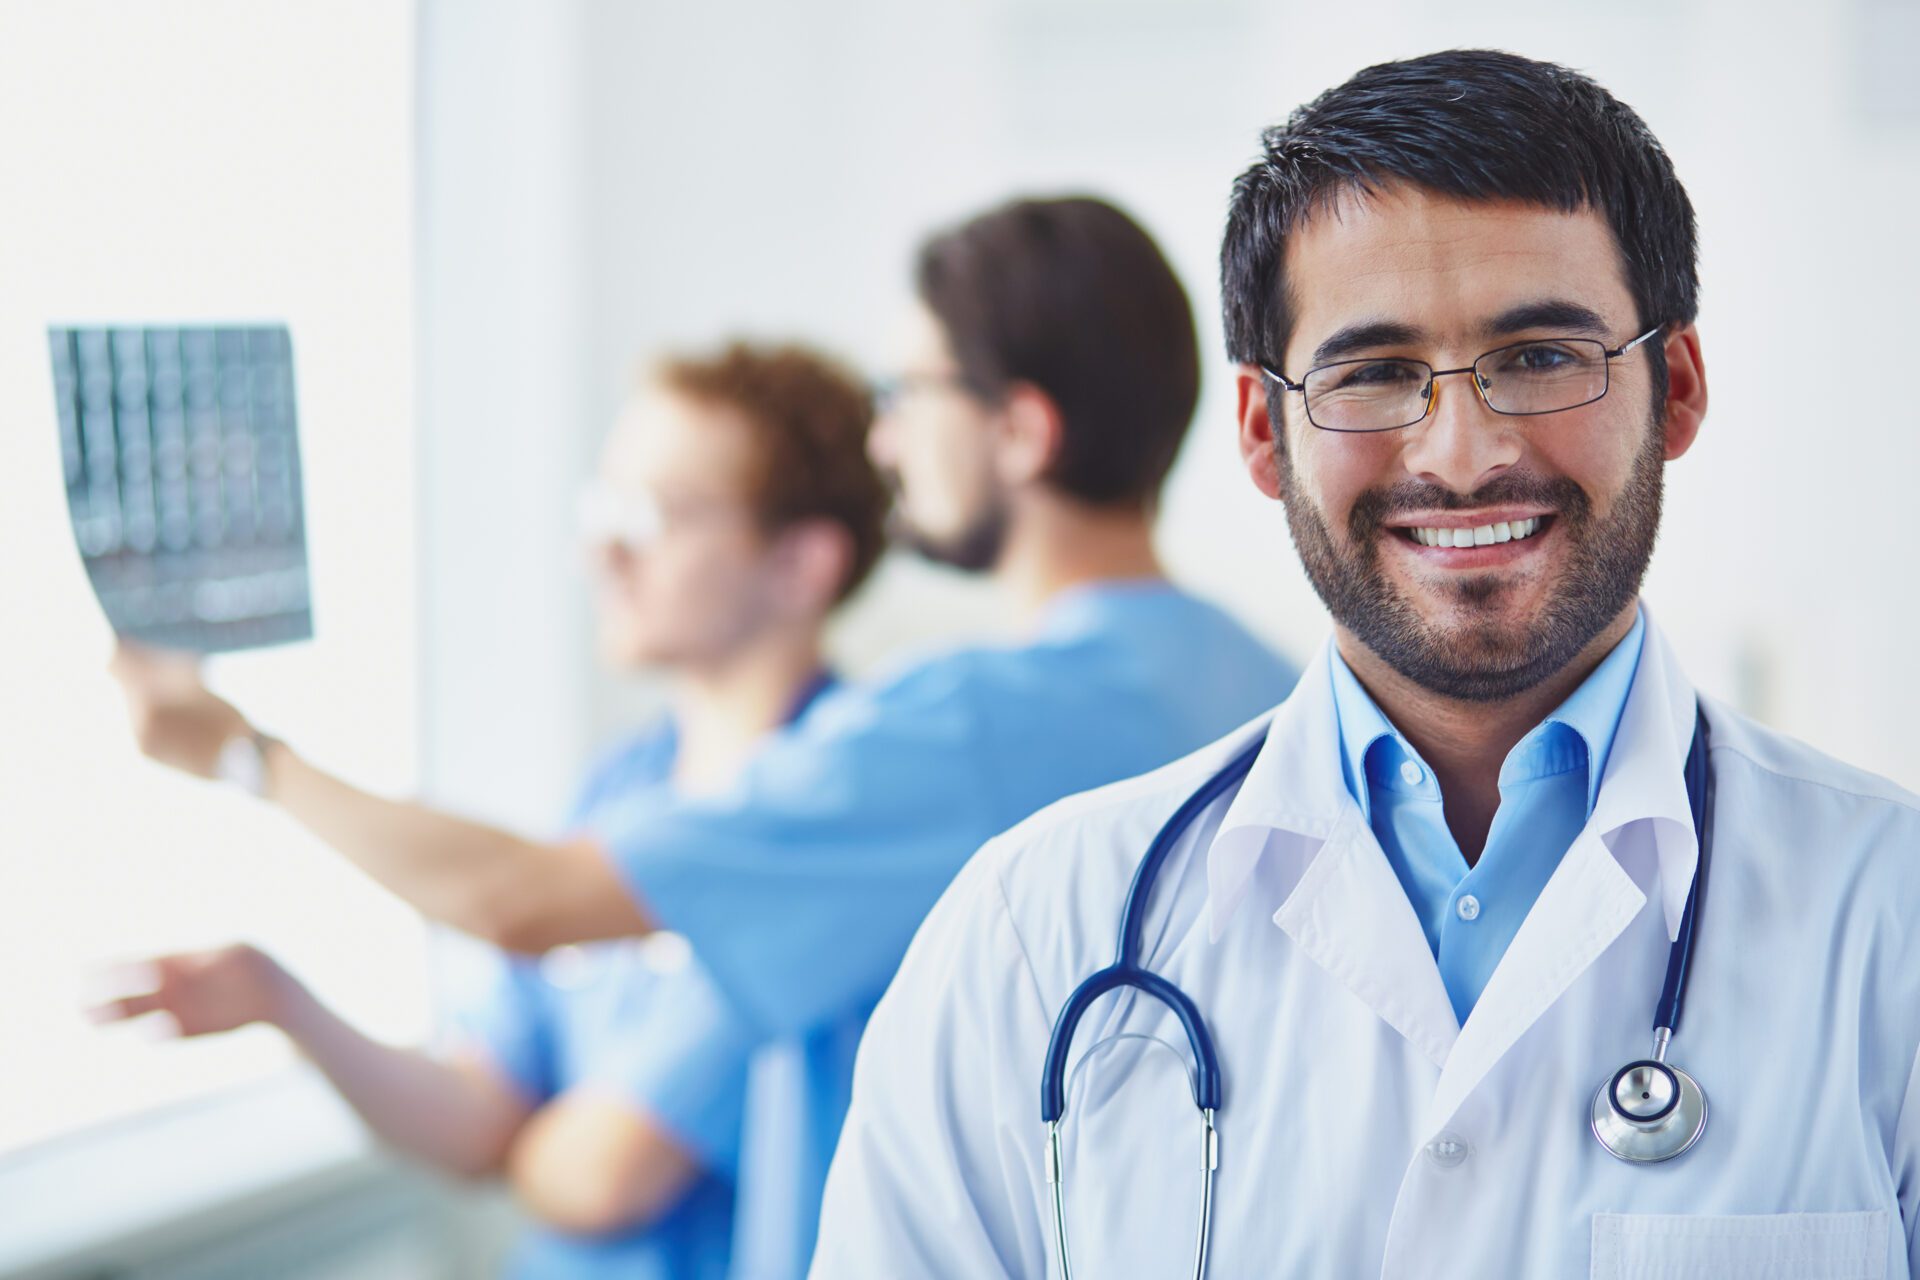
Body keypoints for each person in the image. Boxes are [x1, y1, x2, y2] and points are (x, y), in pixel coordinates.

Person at [811, 50, 1920, 1279]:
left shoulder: (1890, 916)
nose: (1461, 450)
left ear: (1679, 390)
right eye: (1374, 374)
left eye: (1545, 353)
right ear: (1259, 432)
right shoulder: (1031, 935)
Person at [108, 196, 1300, 1279]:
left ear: (1021, 432)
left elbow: (532, 928)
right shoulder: (1261, 681)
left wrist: (244, 753)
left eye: (908, 398)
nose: (887, 444)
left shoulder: (964, 728)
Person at [97, 341, 890, 1280]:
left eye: (656, 515)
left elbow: (602, 1180)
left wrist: (247, 757)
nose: (601, 551)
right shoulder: (624, 786)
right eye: (603, 506)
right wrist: (284, 1002)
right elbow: (483, 1117)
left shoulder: (840, 815)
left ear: (801, 563)